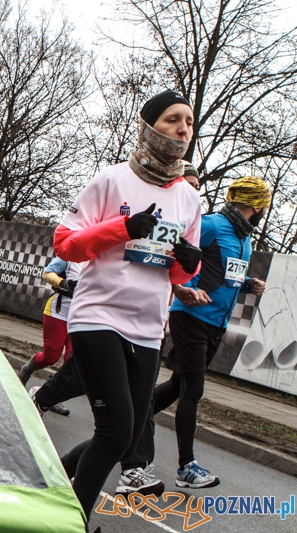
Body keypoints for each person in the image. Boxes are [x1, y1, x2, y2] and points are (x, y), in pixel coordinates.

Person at [53, 89, 202, 524]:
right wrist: (121, 228)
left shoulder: (189, 198)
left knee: (126, 433)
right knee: (116, 429)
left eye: (189, 123)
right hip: (98, 316)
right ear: (150, 125)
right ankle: (71, 521)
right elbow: (65, 244)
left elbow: (175, 274)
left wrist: (187, 265)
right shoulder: (112, 179)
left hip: (148, 327)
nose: (182, 129)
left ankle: (53, 481)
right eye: (173, 119)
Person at [149, 176, 269, 488]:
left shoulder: (245, 237)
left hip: (217, 322)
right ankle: (186, 467)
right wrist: (183, 289)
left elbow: (221, 272)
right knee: (193, 389)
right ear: (258, 206)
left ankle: (137, 414)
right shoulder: (214, 224)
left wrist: (248, 283)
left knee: (178, 385)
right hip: (191, 316)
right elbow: (176, 255)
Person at [17, 257, 83, 416]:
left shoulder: (98, 258)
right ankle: (25, 371)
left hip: (81, 314)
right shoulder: (70, 254)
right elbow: (47, 274)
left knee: (71, 363)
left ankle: (48, 395)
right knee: (51, 355)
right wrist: (64, 283)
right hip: (59, 310)